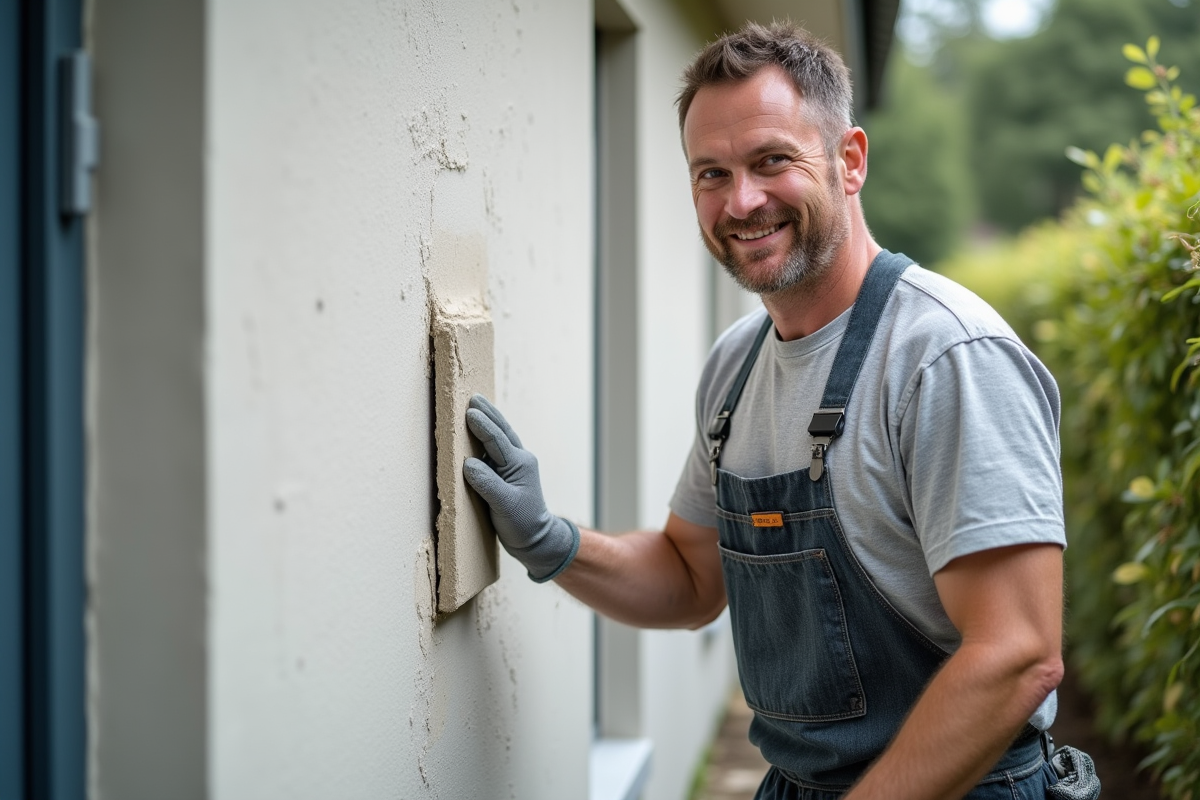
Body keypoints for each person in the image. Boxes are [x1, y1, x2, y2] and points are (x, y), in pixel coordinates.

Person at [463, 21, 1097, 800]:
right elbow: (693, 577)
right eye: (711, 174)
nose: (742, 201)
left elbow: (1017, 653)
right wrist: (549, 541)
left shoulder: (945, 357)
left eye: (771, 161)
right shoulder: (736, 366)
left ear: (850, 160)